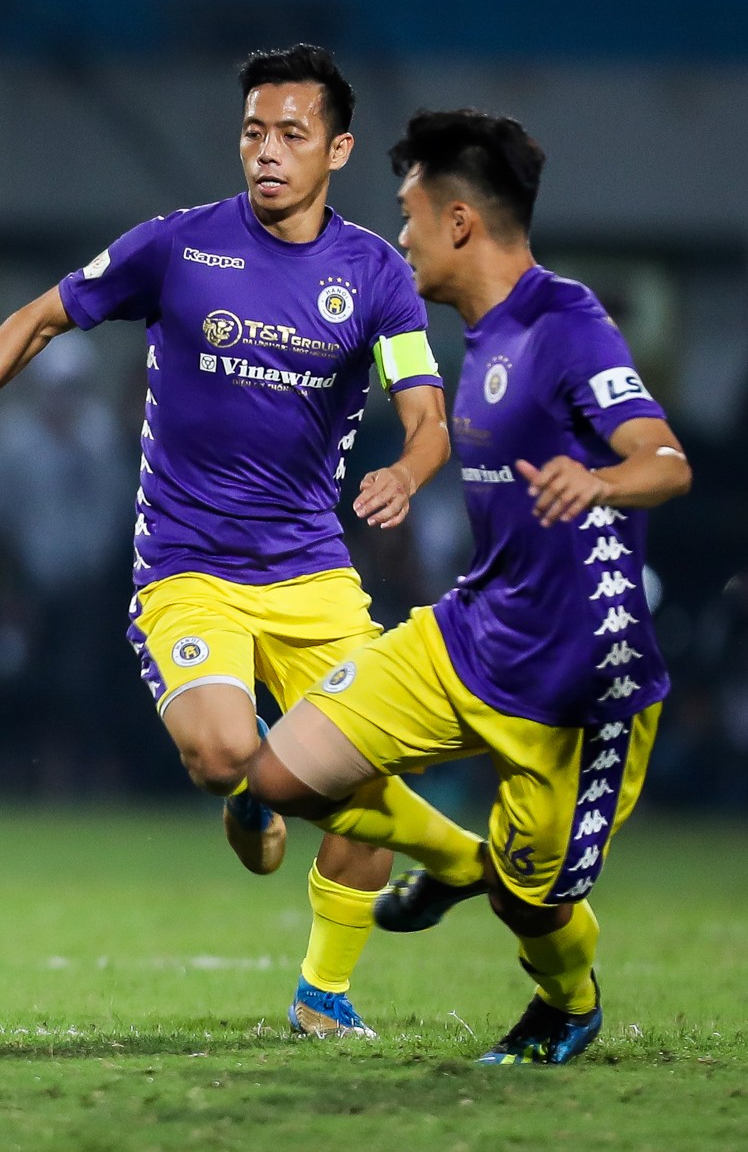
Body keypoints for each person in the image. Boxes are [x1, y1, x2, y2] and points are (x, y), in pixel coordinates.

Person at [0, 45, 450, 1037]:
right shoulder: (176, 246)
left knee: (369, 787)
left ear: (339, 150)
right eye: (252, 133)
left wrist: (405, 470)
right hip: (188, 571)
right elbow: (37, 320)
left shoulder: (375, 274)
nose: (266, 153)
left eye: (291, 136)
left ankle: (322, 995)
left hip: (314, 575)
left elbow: (428, 411)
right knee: (221, 748)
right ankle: (252, 788)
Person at [247, 109, 691, 1065]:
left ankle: (567, 1004)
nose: (398, 235)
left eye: (409, 213)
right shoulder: (479, 340)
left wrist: (602, 480)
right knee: (279, 772)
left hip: (577, 680)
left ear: (459, 223)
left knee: (535, 899)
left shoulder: (565, 323)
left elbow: (665, 461)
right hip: (469, 634)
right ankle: (459, 862)